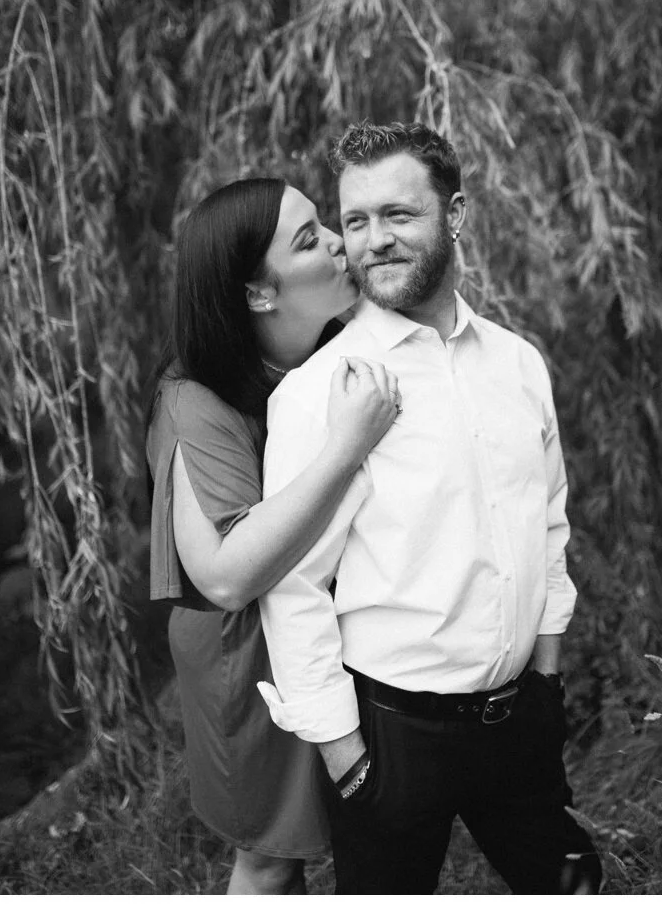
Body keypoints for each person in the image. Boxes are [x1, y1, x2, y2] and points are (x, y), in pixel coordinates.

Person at [254, 121, 602, 894]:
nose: (373, 239)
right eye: (355, 220)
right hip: (392, 736)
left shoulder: (518, 363)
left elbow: (549, 522)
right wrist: (347, 759)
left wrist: (546, 674)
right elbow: (293, 585)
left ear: (456, 214)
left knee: (576, 883)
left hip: (520, 719)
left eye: (398, 214)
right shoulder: (320, 392)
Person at [146, 178, 401, 893]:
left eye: (325, 224)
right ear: (260, 293)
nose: (340, 243)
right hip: (246, 651)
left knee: (360, 825)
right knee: (270, 857)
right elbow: (225, 574)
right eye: (310, 239)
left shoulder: (338, 348)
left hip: (325, 625)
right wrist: (346, 446)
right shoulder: (194, 401)